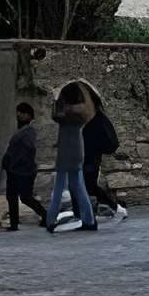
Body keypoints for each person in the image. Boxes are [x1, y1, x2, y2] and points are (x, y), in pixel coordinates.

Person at [46, 80, 97, 232]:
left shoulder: (66, 111)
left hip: (67, 153)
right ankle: (89, 220)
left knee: (59, 188)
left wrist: (57, 101)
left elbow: (55, 115)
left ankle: (50, 220)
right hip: (76, 150)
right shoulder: (80, 112)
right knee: (79, 187)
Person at [0, 101, 44, 229]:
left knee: (25, 197)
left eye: (22, 114)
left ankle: (45, 215)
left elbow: (29, 150)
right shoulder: (23, 131)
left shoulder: (29, 131)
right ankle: (14, 223)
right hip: (14, 169)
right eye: (18, 114)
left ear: (28, 115)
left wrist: (16, 161)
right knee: (12, 196)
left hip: (23, 171)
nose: (19, 116)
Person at [84, 91, 125, 220]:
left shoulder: (97, 119)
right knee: (88, 187)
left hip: (91, 159)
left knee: (89, 187)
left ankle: (115, 206)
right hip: (89, 158)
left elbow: (93, 139)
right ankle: (110, 207)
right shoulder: (94, 119)